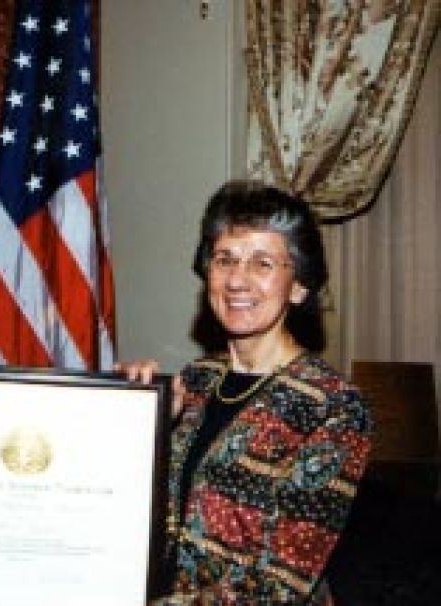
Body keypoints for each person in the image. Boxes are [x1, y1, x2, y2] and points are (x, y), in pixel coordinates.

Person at [121, 181, 373, 605]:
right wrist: (137, 423)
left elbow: (280, 585)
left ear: (298, 286)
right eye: (225, 260)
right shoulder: (194, 382)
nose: (237, 279)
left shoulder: (333, 407)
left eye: (262, 263)